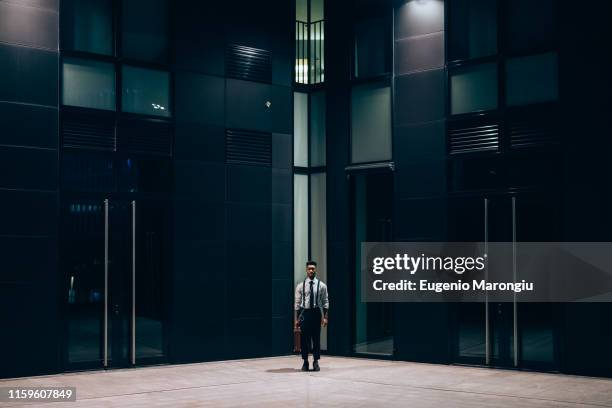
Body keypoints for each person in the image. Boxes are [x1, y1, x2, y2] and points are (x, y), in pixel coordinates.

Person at [294, 260, 329, 372]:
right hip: (305, 313)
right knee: (304, 339)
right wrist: (297, 319)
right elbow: (297, 303)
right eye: (309, 268)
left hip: (316, 313)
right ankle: (305, 361)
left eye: (313, 268)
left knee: (316, 338)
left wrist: (325, 317)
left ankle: (315, 361)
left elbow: (325, 301)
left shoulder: (322, 285)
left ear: (316, 270)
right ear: (306, 270)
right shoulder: (300, 286)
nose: (311, 270)